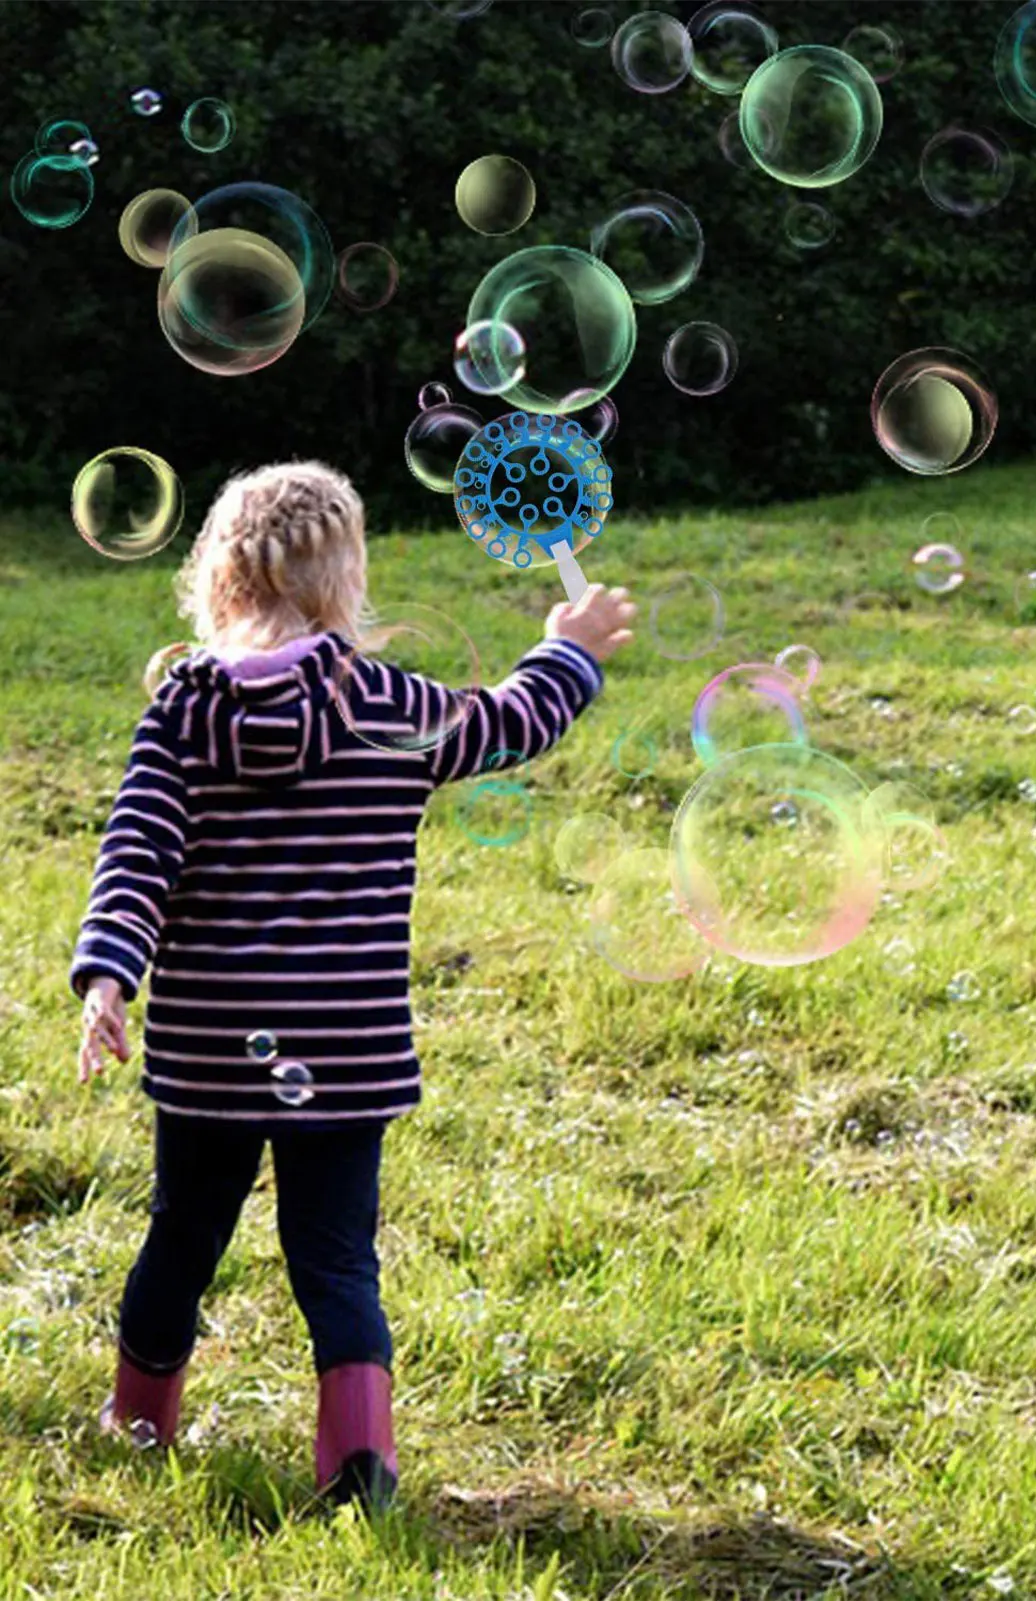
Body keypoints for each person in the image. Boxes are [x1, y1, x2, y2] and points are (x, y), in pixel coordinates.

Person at [72, 461, 635, 1507]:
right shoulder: (388, 704)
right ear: (346, 583)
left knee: (181, 1236)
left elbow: (133, 853)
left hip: (207, 1047)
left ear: (216, 580)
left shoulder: (183, 716)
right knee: (335, 1256)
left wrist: (110, 971)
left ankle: (140, 1419)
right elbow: (507, 722)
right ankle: (358, 1459)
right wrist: (572, 649)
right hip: (348, 1047)